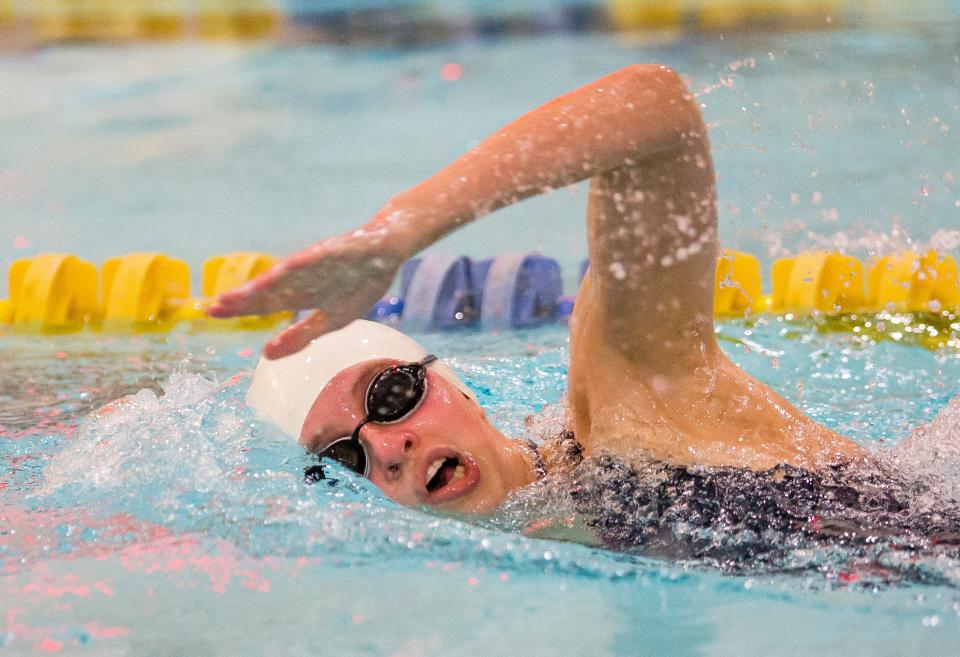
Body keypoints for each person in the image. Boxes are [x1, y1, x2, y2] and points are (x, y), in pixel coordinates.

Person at [207, 66, 953, 563]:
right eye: (344, 458)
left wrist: (399, 231)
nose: (390, 448)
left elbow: (657, 109)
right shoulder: (544, 536)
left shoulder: (623, 400)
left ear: (457, 385)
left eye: (389, 394)